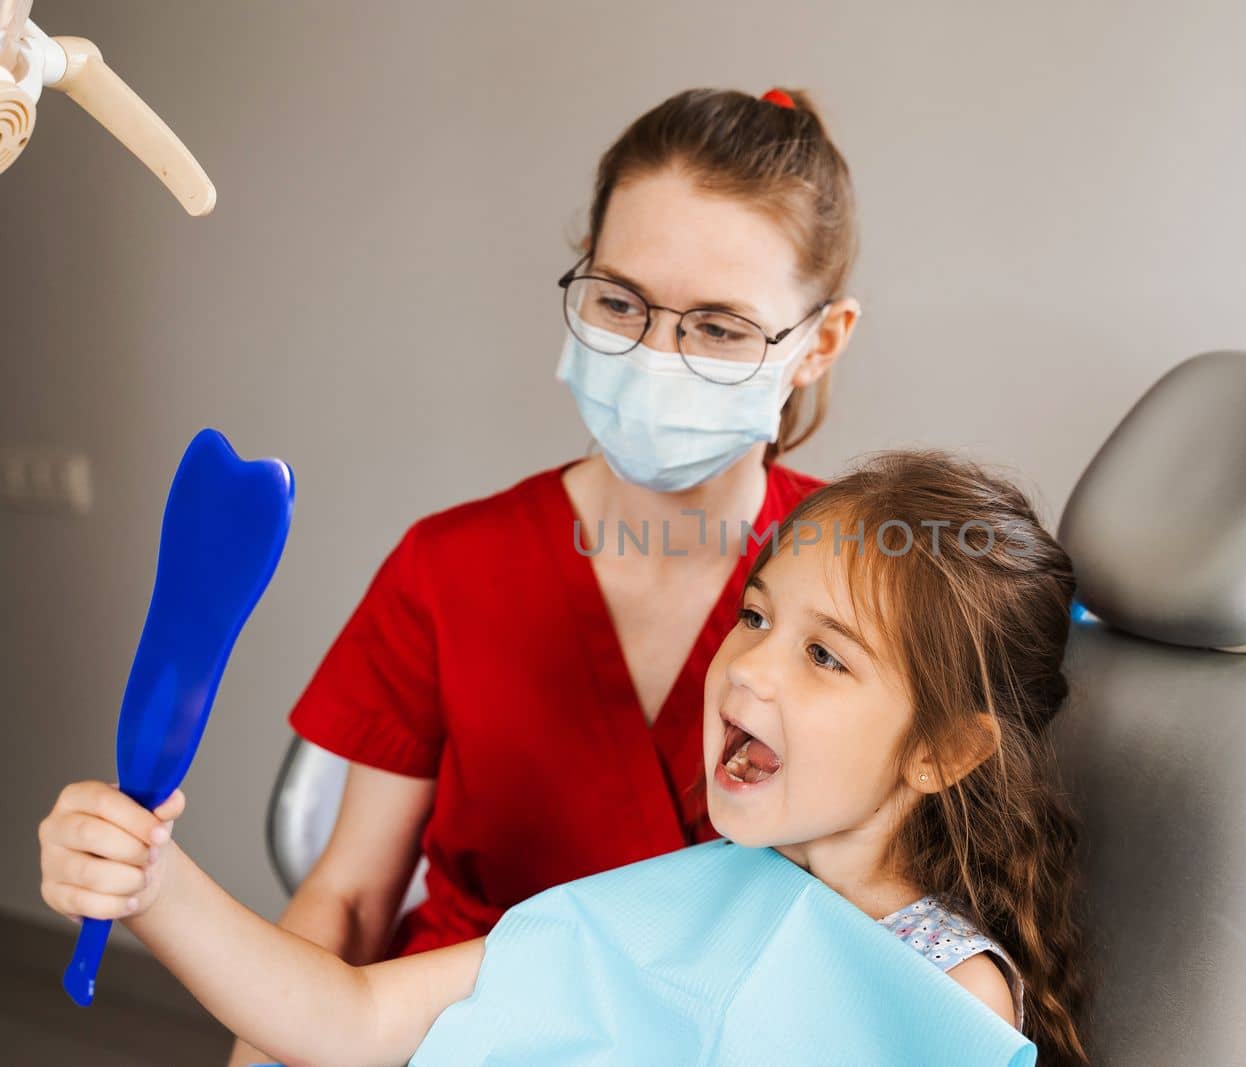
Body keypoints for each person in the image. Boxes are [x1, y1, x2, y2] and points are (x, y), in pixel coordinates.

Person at [39, 449, 1094, 1066]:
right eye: (758, 615)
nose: (749, 670)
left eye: (825, 655)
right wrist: (152, 883)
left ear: (944, 751)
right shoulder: (678, 895)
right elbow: (352, 1017)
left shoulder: (942, 992)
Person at [213, 86, 861, 1065]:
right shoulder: (452, 565)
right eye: (620, 302)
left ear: (818, 342)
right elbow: (345, 899)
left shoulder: (866, 581)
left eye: (719, 327)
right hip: (447, 1028)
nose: (655, 356)